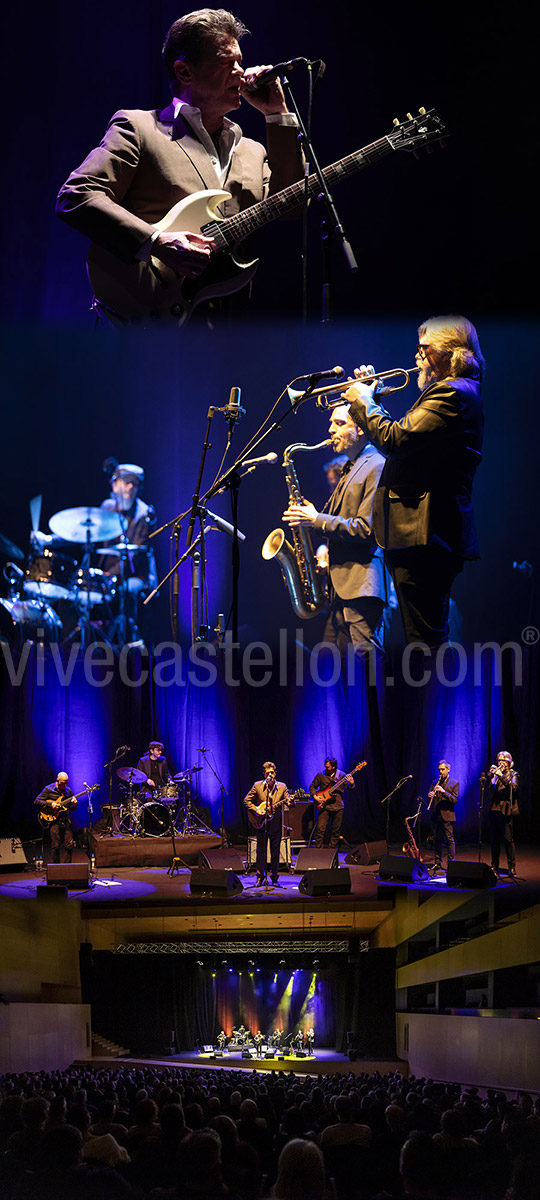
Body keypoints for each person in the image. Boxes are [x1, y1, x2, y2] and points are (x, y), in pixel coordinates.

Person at [56, 9, 303, 325]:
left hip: (228, 334)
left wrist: (277, 115)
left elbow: (293, 205)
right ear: (185, 72)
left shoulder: (253, 152)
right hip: (146, 322)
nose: (241, 73)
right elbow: (77, 196)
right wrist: (156, 243)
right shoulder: (140, 128)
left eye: (240, 62)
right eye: (227, 64)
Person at [343, 314, 485, 647]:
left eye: (424, 349)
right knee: (423, 639)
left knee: (426, 642)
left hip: (426, 534)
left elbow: (396, 440)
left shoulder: (453, 393)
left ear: (450, 353)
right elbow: (407, 440)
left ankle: (437, 698)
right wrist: (370, 401)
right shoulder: (453, 393)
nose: (417, 357)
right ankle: (433, 697)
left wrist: (364, 401)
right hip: (421, 534)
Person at [283, 404, 391, 658]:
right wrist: (309, 514)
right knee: (338, 677)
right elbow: (337, 521)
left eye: (340, 424)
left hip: (362, 589)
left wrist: (316, 519)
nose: (331, 430)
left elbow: (367, 529)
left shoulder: (376, 464)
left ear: (362, 429)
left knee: (367, 677)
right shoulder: (351, 467)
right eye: (331, 423)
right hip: (339, 591)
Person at [100, 460, 158, 647]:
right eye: (126, 481)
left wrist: (111, 575)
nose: (130, 487)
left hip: (136, 574)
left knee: (126, 589)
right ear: (115, 485)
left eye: (134, 483)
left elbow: (136, 554)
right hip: (108, 572)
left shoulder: (144, 513)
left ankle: (131, 642)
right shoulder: (108, 507)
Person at [244, 761, 290, 887]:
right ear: (264, 774)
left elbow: (289, 800)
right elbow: (247, 800)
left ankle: (274, 878)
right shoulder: (257, 786)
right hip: (261, 822)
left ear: (275, 773)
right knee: (261, 851)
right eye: (268, 773)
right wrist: (257, 809)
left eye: (272, 772)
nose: (270, 775)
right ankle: (260, 877)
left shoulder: (282, 786)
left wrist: (290, 801)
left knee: (275, 851)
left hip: (275, 823)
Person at [309, 757, 354, 850]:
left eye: (328, 767)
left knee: (336, 831)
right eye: (325, 766)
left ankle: (332, 851)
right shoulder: (321, 775)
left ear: (333, 767)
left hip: (338, 807)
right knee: (320, 829)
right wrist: (315, 796)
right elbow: (312, 786)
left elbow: (349, 787)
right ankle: (318, 851)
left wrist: (352, 783)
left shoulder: (342, 775)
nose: (326, 768)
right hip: (324, 807)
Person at [488, 751, 519, 878]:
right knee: (494, 841)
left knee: (508, 840)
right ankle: (494, 866)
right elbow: (489, 788)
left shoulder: (513, 774)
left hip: (506, 810)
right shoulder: (496, 775)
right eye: (498, 760)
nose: (500, 762)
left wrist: (501, 776)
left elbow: (514, 787)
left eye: (502, 760)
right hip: (495, 810)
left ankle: (511, 866)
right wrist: (491, 776)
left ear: (508, 762)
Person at [34, 772, 77, 864]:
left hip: (65, 820)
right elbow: (37, 801)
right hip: (54, 820)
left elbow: (72, 808)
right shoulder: (48, 789)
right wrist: (51, 804)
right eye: (62, 783)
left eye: (66, 783)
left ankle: (67, 867)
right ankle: (56, 868)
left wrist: (74, 804)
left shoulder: (68, 791)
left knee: (69, 845)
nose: (64, 785)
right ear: (57, 781)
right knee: (55, 846)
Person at [427, 759, 459, 872]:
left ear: (448, 769)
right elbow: (430, 798)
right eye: (439, 770)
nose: (441, 772)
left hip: (447, 815)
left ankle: (451, 863)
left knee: (449, 840)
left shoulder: (454, 783)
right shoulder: (435, 781)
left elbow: (455, 800)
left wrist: (443, 792)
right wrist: (430, 796)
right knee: (437, 839)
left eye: (443, 769)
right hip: (436, 815)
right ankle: (437, 862)